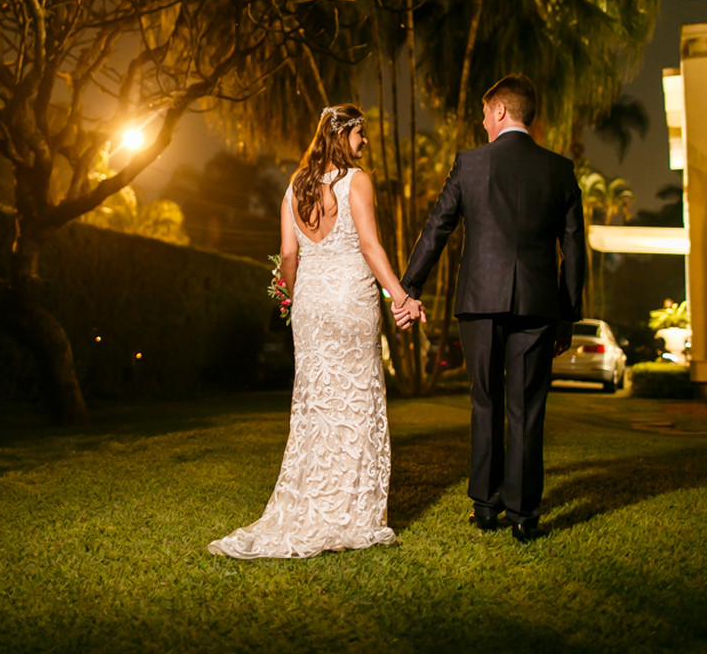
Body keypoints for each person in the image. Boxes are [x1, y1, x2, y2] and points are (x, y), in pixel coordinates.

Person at [209, 104, 421, 559]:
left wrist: (290, 296)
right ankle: (351, 513)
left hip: (310, 304)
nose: (365, 143)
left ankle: (314, 503)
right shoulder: (356, 181)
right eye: (361, 134)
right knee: (356, 400)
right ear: (342, 136)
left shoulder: (294, 188)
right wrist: (399, 296)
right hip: (350, 298)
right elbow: (369, 245)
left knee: (318, 401)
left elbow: (288, 257)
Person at [394, 74, 585, 543]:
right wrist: (567, 315)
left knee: (485, 402)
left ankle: (485, 506)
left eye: (484, 113)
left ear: (500, 111)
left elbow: (437, 227)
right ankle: (524, 515)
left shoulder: (470, 164)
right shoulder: (560, 170)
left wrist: (408, 287)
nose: (482, 122)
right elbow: (576, 249)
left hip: (480, 301)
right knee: (527, 407)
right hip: (538, 305)